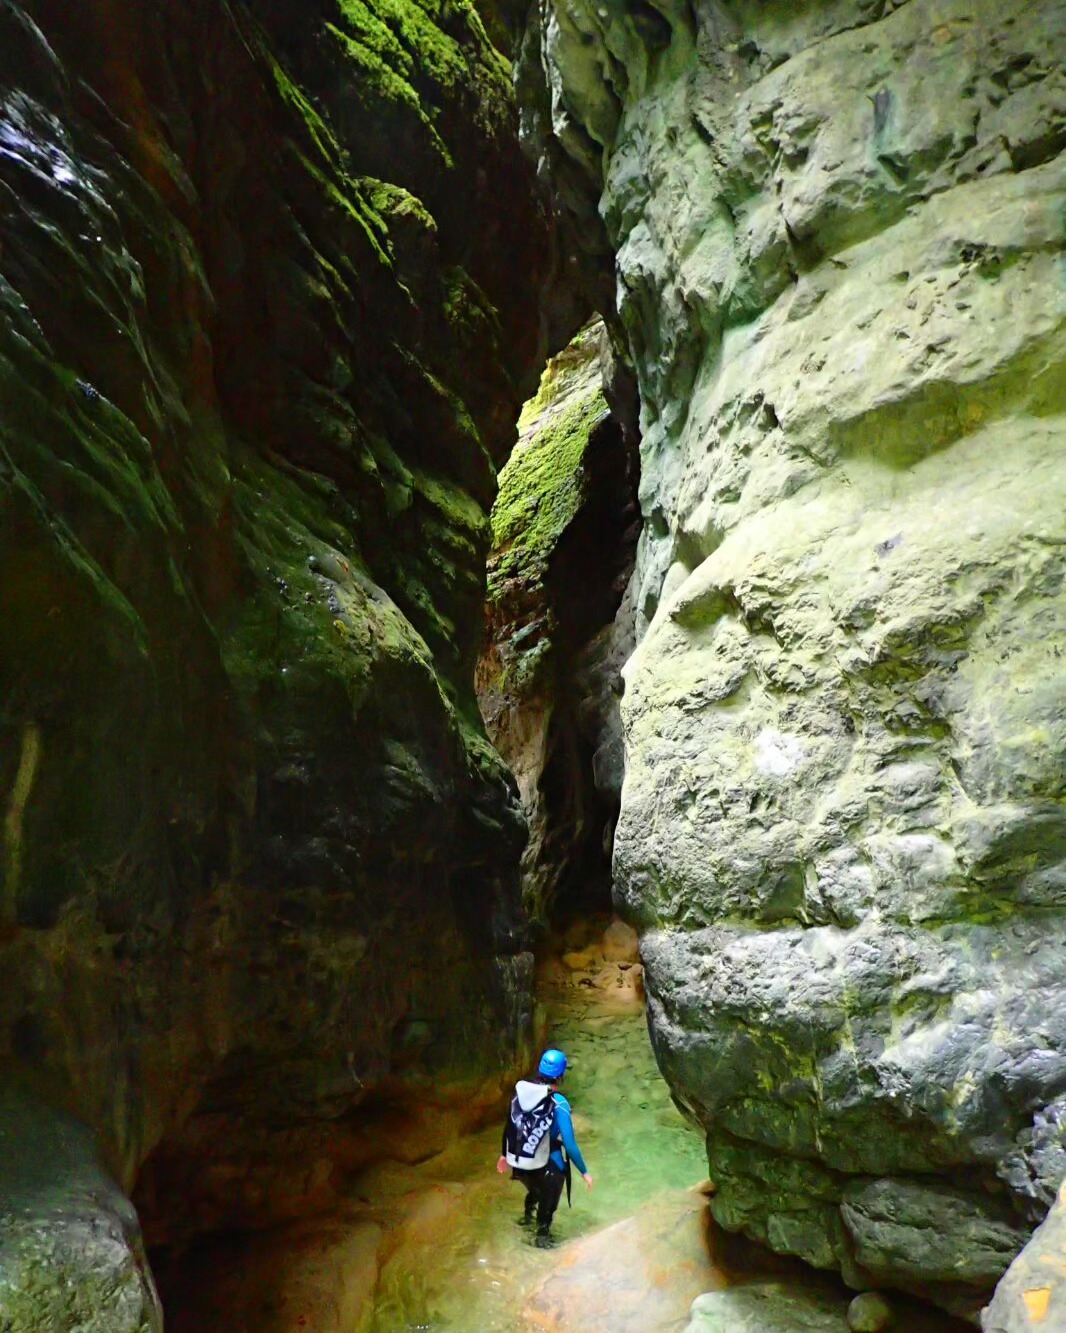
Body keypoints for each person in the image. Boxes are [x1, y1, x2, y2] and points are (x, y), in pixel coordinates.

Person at [496, 1047, 593, 1248]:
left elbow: (511, 1124)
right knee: (548, 1203)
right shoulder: (558, 1102)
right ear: (561, 1075)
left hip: (521, 1164)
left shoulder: (523, 1093)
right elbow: (569, 1144)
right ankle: (542, 1238)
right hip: (546, 1168)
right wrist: (584, 1172)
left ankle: (526, 1220)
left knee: (535, 1191)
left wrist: (504, 1155)